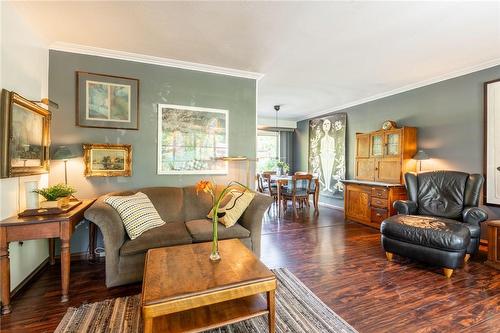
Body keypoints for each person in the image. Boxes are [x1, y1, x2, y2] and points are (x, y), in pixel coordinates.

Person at [319, 119, 335, 192]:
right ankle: (326, 186)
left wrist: (330, 153)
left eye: (328, 124)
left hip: (330, 156)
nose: (326, 126)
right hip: (324, 156)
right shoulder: (322, 140)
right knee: (325, 171)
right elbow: (321, 150)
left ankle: (328, 186)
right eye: (325, 124)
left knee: (329, 170)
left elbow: (333, 149)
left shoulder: (332, 139)